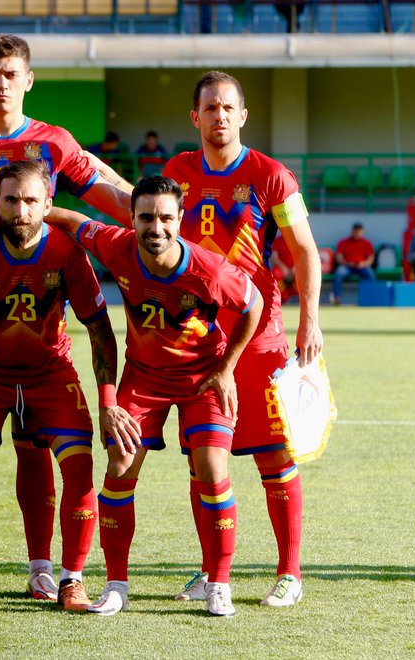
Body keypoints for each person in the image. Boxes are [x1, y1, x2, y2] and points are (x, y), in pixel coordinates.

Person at [0, 33, 133, 599]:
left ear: (28, 80)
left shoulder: (54, 143)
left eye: (12, 73)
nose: (2, 82)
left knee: (42, 453)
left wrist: (150, 216)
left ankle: (51, 570)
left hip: (43, 343)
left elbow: (103, 193)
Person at [50, 175, 263, 618]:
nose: (156, 226)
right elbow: (72, 219)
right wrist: (14, 214)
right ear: (131, 218)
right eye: (146, 216)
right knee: (121, 466)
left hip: (202, 378)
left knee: (210, 468)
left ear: (180, 219)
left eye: (166, 217)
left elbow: (253, 304)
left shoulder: (208, 270)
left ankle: (218, 584)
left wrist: (227, 369)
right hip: (144, 378)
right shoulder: (115, 244)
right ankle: (116, 586)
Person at [0, 162, 118, 613]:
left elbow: (101, 330)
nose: (21, 209)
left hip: (49, 373)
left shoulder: (68, 251)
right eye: (10, 200)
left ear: (48, 204)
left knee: (79, 465)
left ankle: (70, 578)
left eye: (31, 200)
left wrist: (107, 402)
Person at [164, 70, 324, 608]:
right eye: (210, 108)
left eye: (229, 107)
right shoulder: (176, 172)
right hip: (197, 339)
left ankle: (290, 572)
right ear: (195, 117)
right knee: (202, 460)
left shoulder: (272, 176)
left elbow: (304, 250)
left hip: (260, 338)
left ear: (243, 115)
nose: (220, 116)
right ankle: (212, 571)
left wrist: (310, 320)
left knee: (274, 454)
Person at [331, 222, 376, 304]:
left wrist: (364, 263)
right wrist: (348, 263)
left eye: (359, 232)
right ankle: (336, 297)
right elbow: (339, 257)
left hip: (362, 267)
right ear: (352, 231)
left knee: (370, 273)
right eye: (355, 231)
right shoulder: (343, 243)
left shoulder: (367, 243)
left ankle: (371, 297)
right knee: (339, 273)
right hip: (347, 266)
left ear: (362, 232)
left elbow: (371, 258)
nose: (357, 234)